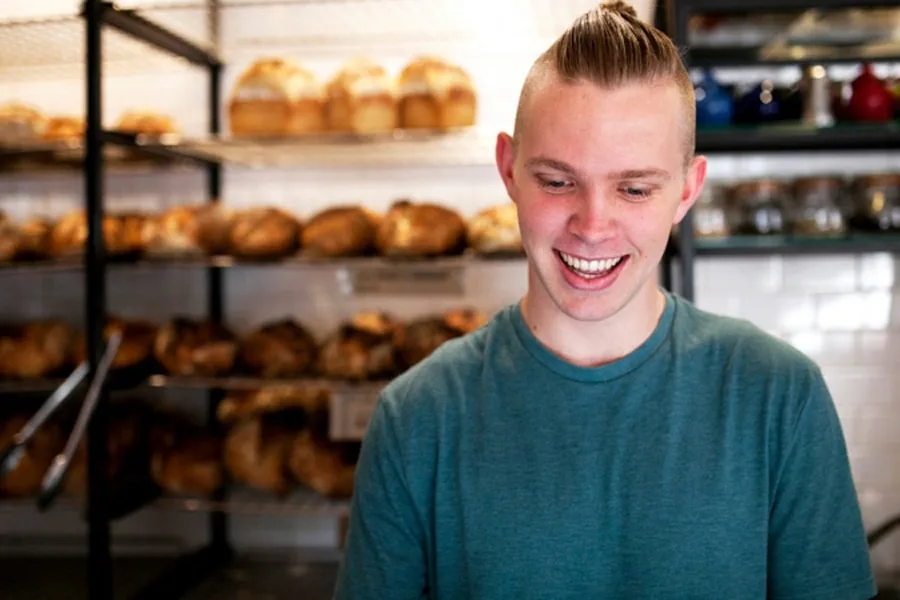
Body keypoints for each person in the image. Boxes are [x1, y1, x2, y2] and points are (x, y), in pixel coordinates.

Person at [333, 2, 876, 598]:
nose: (593, 226)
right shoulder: (416, 420)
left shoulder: (780, 399)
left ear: (687, 190)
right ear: (509, 171)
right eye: (558, 181)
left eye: (635, 188)